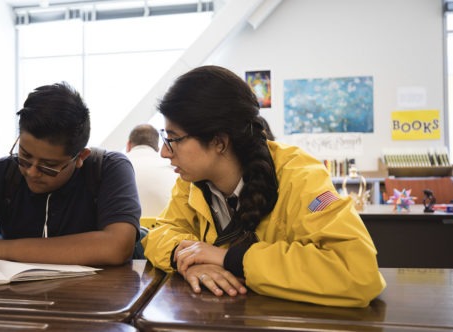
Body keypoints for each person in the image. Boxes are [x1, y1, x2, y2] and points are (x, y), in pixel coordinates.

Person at [142, 65, 386, 307]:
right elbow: (160, 234)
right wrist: (189, 260)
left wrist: (230, 259)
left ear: (219, 141)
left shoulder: (299, 176)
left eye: (173, 139)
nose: (164, 152)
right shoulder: (192, 181)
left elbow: (357, 272)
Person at [0, 82, 141, 280]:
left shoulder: (108, 169)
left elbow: (117, 245)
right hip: (20, 309)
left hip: (95, 309)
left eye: (48, 166)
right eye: (25, 156)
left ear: (80, 157)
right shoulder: (4, 174)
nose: (31, 172)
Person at [126, 124, 178, 217]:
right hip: (165, 228)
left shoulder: (115, 167)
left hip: (125, 228)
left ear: (128, 145)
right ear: (158, 148)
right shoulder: (174, 168)